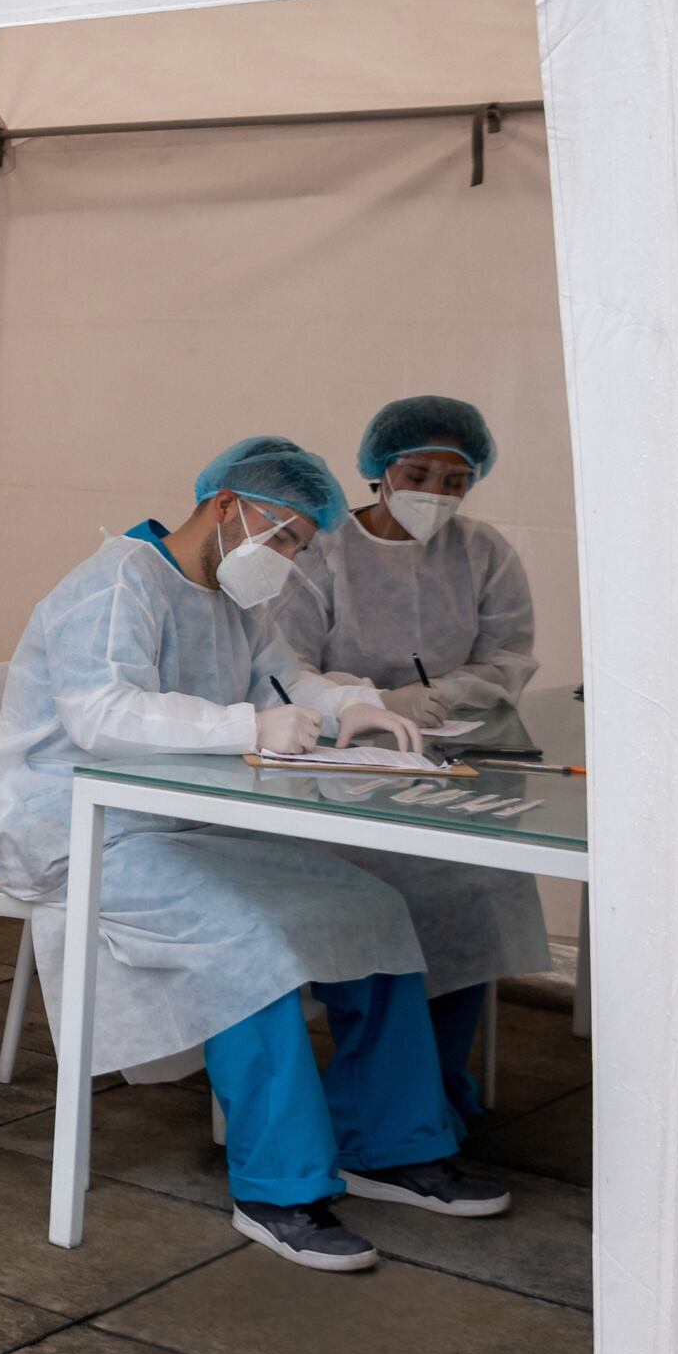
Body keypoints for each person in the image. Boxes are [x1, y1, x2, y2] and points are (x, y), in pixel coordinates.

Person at [0, 433, 509, 1271]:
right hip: (82, 828)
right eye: (284, 536)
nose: (287, 558)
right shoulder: (116, 583)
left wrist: (350, 707)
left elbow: (286, 678)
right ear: (226, 506)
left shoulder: (229, 595)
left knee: (373, 905)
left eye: (300, 545)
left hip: (185, 817)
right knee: (251, 937)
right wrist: (242, 727)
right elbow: (100, 715)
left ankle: (389, 1142)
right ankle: (280, 1189)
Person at [278, 392, 554, 1125]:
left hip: (454, 752)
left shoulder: (484, 553)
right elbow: (285, 663)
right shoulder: (322, 553)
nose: (435, 492)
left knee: (480, 887)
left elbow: (508, 658)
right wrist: (370, 701)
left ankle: (430, 1087)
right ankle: (393, 1104)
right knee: (378, 895)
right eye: (419, 472)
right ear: (378, 469)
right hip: (335, 767)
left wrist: (438, 697)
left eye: (454, 479)